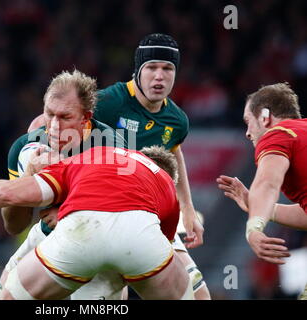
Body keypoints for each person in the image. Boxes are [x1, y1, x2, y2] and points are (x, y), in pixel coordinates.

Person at [28, 33, 209, 299]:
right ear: (138, 70)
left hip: (145, 217)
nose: (159, 76)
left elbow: (174, 153)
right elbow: (41, 124)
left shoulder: (177, 120)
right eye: (152, 68)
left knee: (199, 294)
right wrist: (56, 200)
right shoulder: (108, 102)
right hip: (94, 214)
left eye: (167, 68)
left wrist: (188, 208)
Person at [0, 145, 194, 300]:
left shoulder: (95, 155)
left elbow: (10, 193)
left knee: (8, 295)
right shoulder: (166, 187)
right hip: (139, 244)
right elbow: (163, 242)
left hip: (79, 235)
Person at [3, 69, 129, 300]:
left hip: (97, 249)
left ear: (86, 118)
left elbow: (122, 217)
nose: (53, 126)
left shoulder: (110, 150)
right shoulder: (25, 148)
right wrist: (27, 179)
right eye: (49, 114)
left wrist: (67, 212)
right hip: (48, 236)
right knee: (3, 293)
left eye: (65, 117)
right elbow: (13, 225)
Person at [216, 82, 307, 300]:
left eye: (248, 122)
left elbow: (267, 183)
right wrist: (263, 208)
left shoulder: (278, 134)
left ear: (265, 117)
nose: (247, 133)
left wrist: (254, 228)